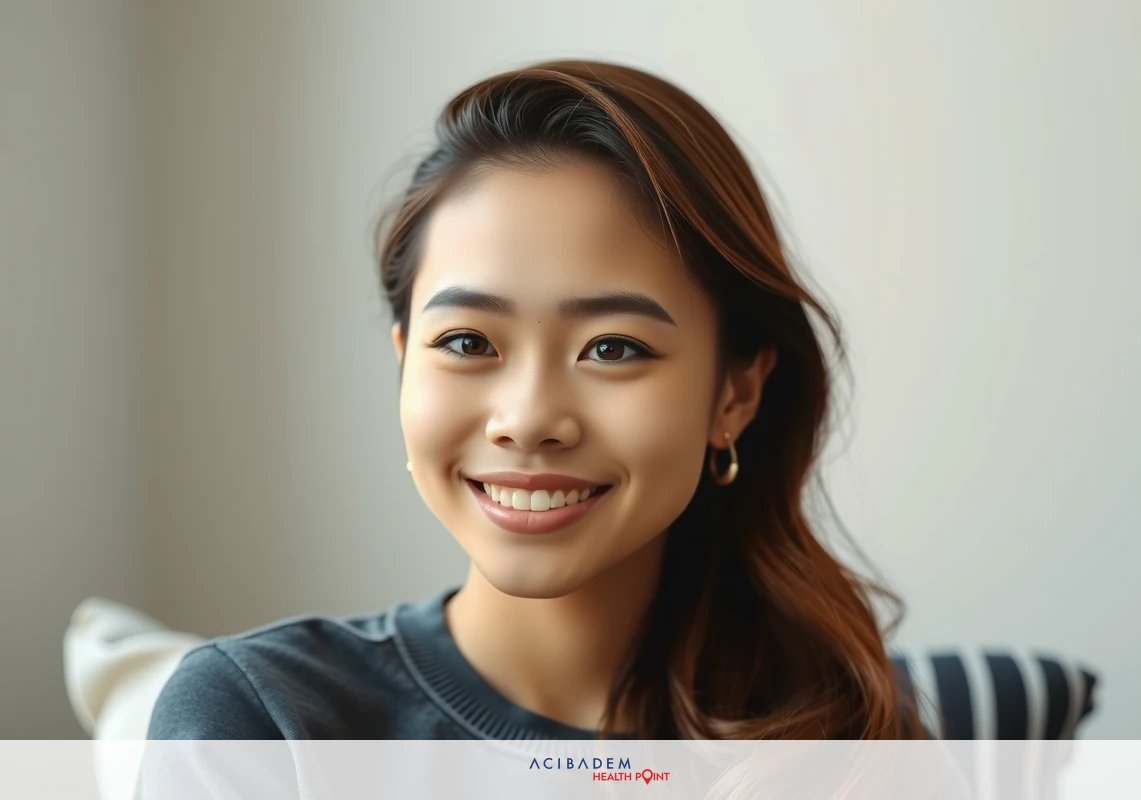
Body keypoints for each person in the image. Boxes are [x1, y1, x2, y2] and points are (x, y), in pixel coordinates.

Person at [145, 58, 927, 742]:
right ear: (403, 365)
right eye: (466, 343)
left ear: (735, 394)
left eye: (613, 348)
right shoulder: (262, 717)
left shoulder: (849, 731)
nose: (526, 421)